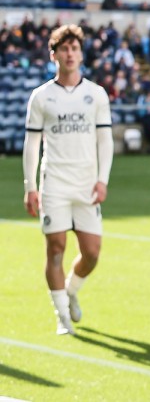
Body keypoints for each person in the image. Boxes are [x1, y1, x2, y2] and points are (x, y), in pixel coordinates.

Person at [23, 24, 114, 335]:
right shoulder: (41, 97)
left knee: (92, 253)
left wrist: (103, 180)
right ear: (54, 55)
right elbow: (32, 144)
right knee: (56, 248)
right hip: (55, 184)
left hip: (87, 184)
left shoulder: (96, 94)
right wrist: (31, 187)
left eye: (75, 48)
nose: (70, 53)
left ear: (81, 54)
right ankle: (62, 316)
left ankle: (71, 289)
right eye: (64, 49)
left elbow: (106, 141)